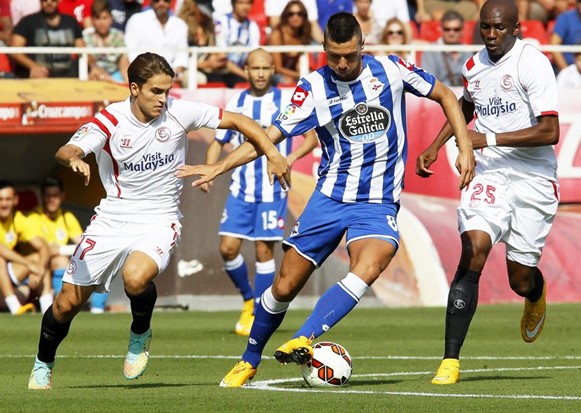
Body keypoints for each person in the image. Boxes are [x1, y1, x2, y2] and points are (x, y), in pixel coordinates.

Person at [177, 11, 475, 388]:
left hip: (377, 201)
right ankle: (249, 360)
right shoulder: (313, 88)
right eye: (334, 56)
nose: (343, 63)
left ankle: (305, 336)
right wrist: (220, 166)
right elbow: (269, 135)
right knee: (284, 286)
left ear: (363, 46)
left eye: (350, 55)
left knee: (372, 262)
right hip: (329, 198)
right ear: (324, 50)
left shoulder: (393, 69)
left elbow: (447, 94)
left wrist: (464, 145)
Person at [26, 52, 290, 390]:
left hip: (160, 219)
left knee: (135, 278)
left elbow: (240, 120)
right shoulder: (110, 120)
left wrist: (273, 152)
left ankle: (140, 334)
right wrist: (75, 159)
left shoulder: (179, 111)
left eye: (167, 91)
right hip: (112, 218)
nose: (164, 99)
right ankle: (43, 363)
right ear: (134, 88)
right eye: (156, 92)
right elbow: (67, 150)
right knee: (66, 304)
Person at [416, 0, 560, 385]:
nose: (491, 35)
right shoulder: (473, 65)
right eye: (485, 28)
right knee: (474, 248)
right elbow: (465, 106)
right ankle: (450, 360)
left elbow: (550, 132)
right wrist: (435, 144)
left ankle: (535, 292)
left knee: (519, 278)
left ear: (516, 28)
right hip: (490, 170)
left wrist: (489, 136)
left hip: (533, 176)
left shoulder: (533, 63)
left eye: (499, 28)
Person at [206, 48, 318, 336]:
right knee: (227, 248)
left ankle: (257, 311)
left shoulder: (285, 100)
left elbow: (310, 138)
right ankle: (248, 300)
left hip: (272, 190)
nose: (260, 73)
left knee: (262, 250)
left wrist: (289, 159)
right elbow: (219, 140)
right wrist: (210, 170)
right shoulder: (237, 101)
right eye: (255, 68)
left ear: (273, 70)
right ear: (246, 70)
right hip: (241, 187)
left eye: (266, 68)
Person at [28, 176, 110, 313]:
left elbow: (82, 243)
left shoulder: (67, 216)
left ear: (62, 196)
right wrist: (58, 251)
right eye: (48, 196)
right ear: (42, 197)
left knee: (97, 259)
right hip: (32, 268)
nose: (52, 199)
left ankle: (97, 309)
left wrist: (60, 249)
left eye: (55, 195)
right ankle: (62, 308)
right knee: (60, 260)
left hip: (53, 265)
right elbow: (45, 250)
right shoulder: (33, 217)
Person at [0, 181, 51, 315]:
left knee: (39, 259)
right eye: (0, 199)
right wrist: (29, 265)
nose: (4, 204)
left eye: (8, 199)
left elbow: (44, 247)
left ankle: (49, 312)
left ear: (15, 200)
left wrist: (39, 268)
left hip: (4, 281)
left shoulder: (19, 219)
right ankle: (15, 309)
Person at [10, 0, 85, 79]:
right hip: (36, 78)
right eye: (45, 0)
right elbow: (14, 51)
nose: (49, 2)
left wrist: (94, 66)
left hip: (68, 77)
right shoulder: (27, 22)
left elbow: (82, 50)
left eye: (53, 0)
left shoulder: (71, 21)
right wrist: (33, 66)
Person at [124, 0, 189, 85]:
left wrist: (171, 74)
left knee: (194, 79)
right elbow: (131, 53)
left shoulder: (180, 24)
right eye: (157, 0)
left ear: (170, 2)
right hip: (143, 74)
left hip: (172, 76)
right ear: (151, 1)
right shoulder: (136, 20)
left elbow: (182, 57)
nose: (161, 3)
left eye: (165, 0)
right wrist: (150, 73)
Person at [211, 0, 261, 87]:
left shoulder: (252, 26)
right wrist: (246, 76)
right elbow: (222, 58)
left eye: (248, 3)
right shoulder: (221, 22)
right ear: (233, 4)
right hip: (218, 71)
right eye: (241, 3)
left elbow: (255, 54)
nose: (245, 7)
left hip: (238, 71)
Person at [267, 0, 313, 85]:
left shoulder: (304, 34)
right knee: (286, 81)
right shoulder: (277, 35)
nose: (295, 17)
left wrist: (303, 73)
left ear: (304, 16)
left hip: (293, 74)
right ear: (285, 16)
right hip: (274, 75)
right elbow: (277, 68)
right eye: (291, 14)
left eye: (299, 14)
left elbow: (299, 65)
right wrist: (301, 75)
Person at [82, 0, 129, 83]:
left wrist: (127, 80)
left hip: (116, 76)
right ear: (92, 20)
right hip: (94, 76)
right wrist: (99, 72)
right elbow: (89, 60)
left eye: (104, 18)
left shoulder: (118, 35)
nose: (101, 22)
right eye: (97, 18)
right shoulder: (86, 36)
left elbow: (123, 60)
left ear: (111, 18)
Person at [421, 10, 471, 86]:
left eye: (456, 29)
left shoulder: (468, 51)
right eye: (447, 29)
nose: (451, 33)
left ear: (462, 30)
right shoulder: (431, 51)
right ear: (441, 29)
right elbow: (428, 84)